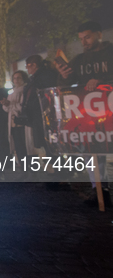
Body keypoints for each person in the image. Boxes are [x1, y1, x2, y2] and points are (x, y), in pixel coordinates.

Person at [55, 21, 113, 206]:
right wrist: (64, 76)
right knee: (92, 152)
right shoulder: (79, 60)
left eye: (87, 37)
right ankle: (99, 189)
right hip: (90, 116)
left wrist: (103, 81)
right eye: (81, 39)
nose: (84, 42)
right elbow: (70, 84)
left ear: (99, 34)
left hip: (110, 113)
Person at [22, 55, 57, 157]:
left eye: (27, 66)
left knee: (50, 143)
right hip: (38, 114)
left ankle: (60, 168)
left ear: (34, 65)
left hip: (44, 114)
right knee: (46, 143)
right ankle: (56, 167)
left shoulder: (45, 76)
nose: (27, 69)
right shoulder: (34, 78)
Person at [0, 71, 34, 164]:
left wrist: (10, 104)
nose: (16, 80)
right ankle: (24, 169)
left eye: (18, 78)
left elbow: (22, 107)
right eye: (14, 78)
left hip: (22, 124)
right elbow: (8, 109)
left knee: (26, 147)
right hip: (13, 123)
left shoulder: (25, 90)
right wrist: (6, 104)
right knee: (18, 148)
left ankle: (31, 171)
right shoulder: (12, 91)